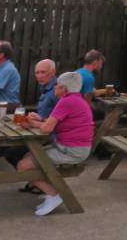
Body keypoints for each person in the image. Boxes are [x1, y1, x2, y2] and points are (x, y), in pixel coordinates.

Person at [18, 72, 93, 216]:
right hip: (73, 147)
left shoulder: (66, 101)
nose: (54, 87)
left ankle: (54, 195)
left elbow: (47, 129)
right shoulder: (76, 99)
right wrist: (39, 119)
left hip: (72, 151)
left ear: (64, 89)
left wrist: (32, 123)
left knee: (23, 166)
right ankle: (49, 191)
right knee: (28, 156)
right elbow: (53, 122)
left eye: (57, 85)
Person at [3, 59, 59, 173]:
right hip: (40, 132)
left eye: (43, 72)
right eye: (37, 72)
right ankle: (36, 177)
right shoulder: (46, 88)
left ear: (53, 72)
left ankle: (40, 179)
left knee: (11, 153)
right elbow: (51, 115)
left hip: (50, 138)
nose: (39, 76)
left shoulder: (56, 91)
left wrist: (37, 122)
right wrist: (39, 117)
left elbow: (60, 120)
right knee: (10, 149)